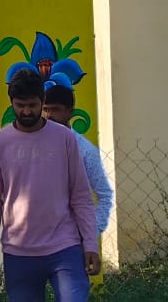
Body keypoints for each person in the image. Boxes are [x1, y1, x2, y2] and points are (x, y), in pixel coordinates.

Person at [0, 72, 99, 302]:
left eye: (32, 105)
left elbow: (81, 196)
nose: (26, 111)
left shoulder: (64, 138)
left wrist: (90, 245)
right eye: (20, 105)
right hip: (19, 252)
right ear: (11, 102)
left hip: (65, 247)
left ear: (42, 102)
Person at [42, 84, 114, 235]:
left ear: (69, 112)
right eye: (45, 109)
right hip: (38, 238)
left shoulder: (85, 151)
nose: (48, 115)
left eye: (55, 109)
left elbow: (105, 194)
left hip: (71, 239)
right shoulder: (34, 147)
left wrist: (90, 233)